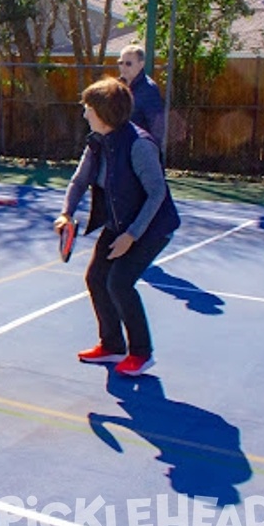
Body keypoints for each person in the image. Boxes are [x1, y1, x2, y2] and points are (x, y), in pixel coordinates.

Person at [54, 77, 180, 376]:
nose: (85, 114)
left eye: (88, 109)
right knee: (97, 278)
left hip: (150, 226)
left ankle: (142, 353)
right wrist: (66, 213)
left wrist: (132, 236)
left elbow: (157, 193)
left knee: (120, 283)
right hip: (119, 221)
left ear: (103, 113)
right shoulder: (97, 142)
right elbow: (80, 180)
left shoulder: (139, 145)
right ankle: (112, 346)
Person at [116, 43, 166, 150]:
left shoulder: (149, 89)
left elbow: (157, 125)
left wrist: (153, 151)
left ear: (141, 64)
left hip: (138, 147)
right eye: (121, 63)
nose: (123, 67)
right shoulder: (116, 87)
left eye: (128, 63)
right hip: (119, 146)